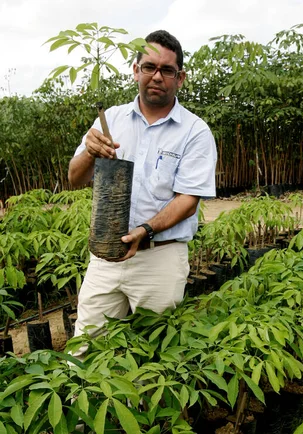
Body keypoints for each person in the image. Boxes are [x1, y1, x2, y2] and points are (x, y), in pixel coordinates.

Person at [68, 29, 217, 340]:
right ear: (136, 71)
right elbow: (75, 178)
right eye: (149, 67)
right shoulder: (111, 119)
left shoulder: (195, 132)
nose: (157, 76)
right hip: (106, 257)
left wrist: (145, 231)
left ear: (181, 77)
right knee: (86, 345)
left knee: (158, 349)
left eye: (167, 70)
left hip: (159, 257)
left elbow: (187, 201)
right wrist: (90, 153)